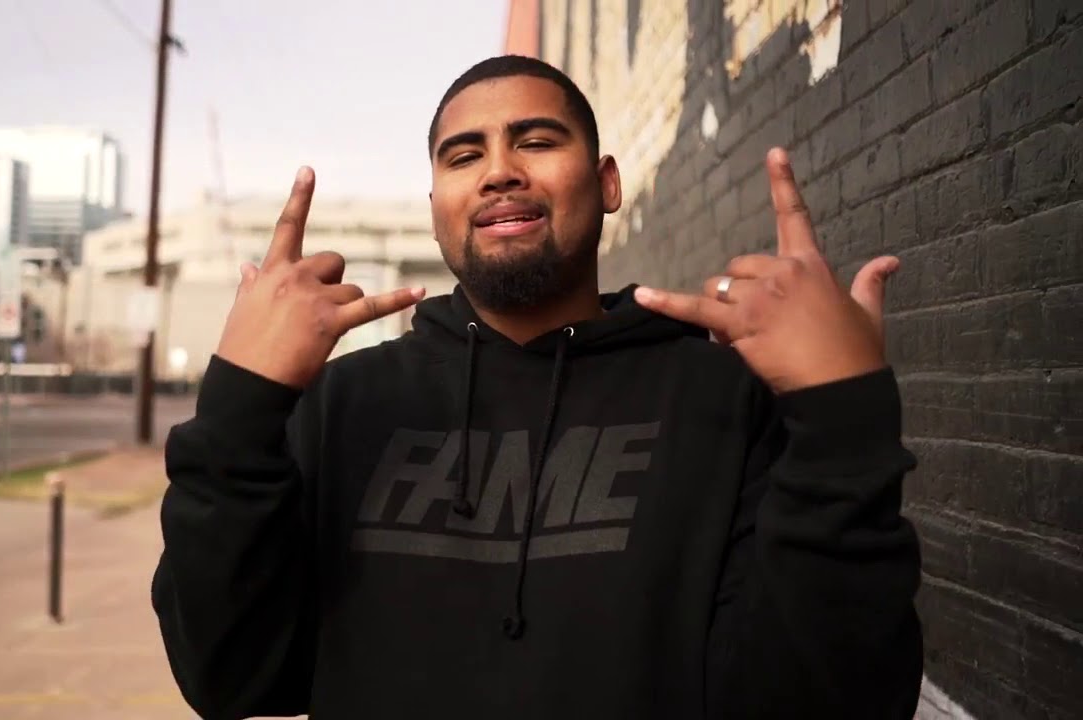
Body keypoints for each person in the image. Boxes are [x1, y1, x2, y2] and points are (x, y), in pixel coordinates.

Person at [152, 55, 924, 719]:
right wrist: (238, 406)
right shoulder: (341, 404)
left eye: (536, 141)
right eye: (464, 156)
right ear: (437, 211)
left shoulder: (723, 397)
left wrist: (841, 416)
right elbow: (231, 674)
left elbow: (826, 698)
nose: (499, 171)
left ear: (607, 182)